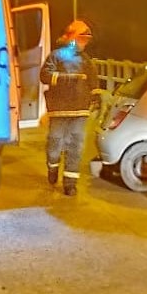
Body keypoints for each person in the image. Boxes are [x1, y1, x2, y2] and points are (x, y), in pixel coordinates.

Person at [39, 19, 99, 196]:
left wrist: (95, 97)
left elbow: (93, 81)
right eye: (80, 39)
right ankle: (52, 167)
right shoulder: (56, 56)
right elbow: (44, 75)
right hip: (59, 110)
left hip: (80, 109)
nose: (83, 43)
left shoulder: (86, 61)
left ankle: (70, 183)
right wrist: (66, 78)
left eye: (85, 40)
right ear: (71, 37)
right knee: (55, 142)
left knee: (76, 146)